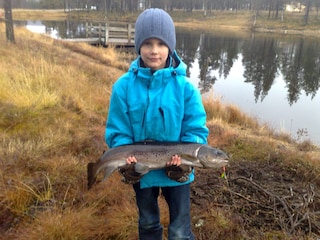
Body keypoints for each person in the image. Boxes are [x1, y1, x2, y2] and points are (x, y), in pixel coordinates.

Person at [105, 8, 209, 240]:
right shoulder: (123, 87)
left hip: (178, 171)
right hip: (142, 171)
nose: (154, 50)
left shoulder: (186, 88)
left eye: (161, 44)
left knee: (180, 230)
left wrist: (185, 162)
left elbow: (195, 129)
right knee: (149, 223)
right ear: (138, 46)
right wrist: (127, 162)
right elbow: (118, 131)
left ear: (170, 47)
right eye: (148, 43)